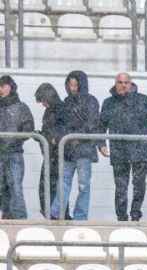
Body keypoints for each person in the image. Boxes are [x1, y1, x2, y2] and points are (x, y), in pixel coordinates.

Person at [97, 73, 147, 223]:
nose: (123, 85)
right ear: (115, 84)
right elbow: (101, 125)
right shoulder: (109, 103)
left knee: (139, 185)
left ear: (131, 84)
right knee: (121, 187)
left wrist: (145, 133)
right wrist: (101, 144)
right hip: (119, 149)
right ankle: (121, 217)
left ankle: (136, 214)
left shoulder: (142, 100)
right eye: (120, 82)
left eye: (126, 82)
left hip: (140, 149)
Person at [51, 70, 100, 221]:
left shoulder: (91, 101)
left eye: (75, 85)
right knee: (64, 182)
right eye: (70, 85)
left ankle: (80, 216)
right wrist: (64, 137)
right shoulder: (66, 102)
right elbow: (61, 124)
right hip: (69, 149)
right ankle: (56, 213)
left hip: (83, 150)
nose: (72, 88)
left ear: (81, 85)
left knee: (83, 185)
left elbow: (92, 123)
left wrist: (75, 137)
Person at [0, 75, 35, 219]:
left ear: (10, 87)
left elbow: (28, 128)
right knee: (3, 188)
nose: (0, 89)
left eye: (3, 86)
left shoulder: (21, 107)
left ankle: (20, 220)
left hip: (14, 153)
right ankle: (7, 218)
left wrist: (14, 140)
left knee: (15, 187)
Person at [34, 82, 61, 218]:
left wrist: (46, 137)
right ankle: (48, 213)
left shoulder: (59, 110)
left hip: (56, 155)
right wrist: (40, 135)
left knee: (52, 186)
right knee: (45, 186)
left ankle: (54, 214)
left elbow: (57, 133)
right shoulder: (49, 111)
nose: (43, 104)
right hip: (50, 154)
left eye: (43, 101)